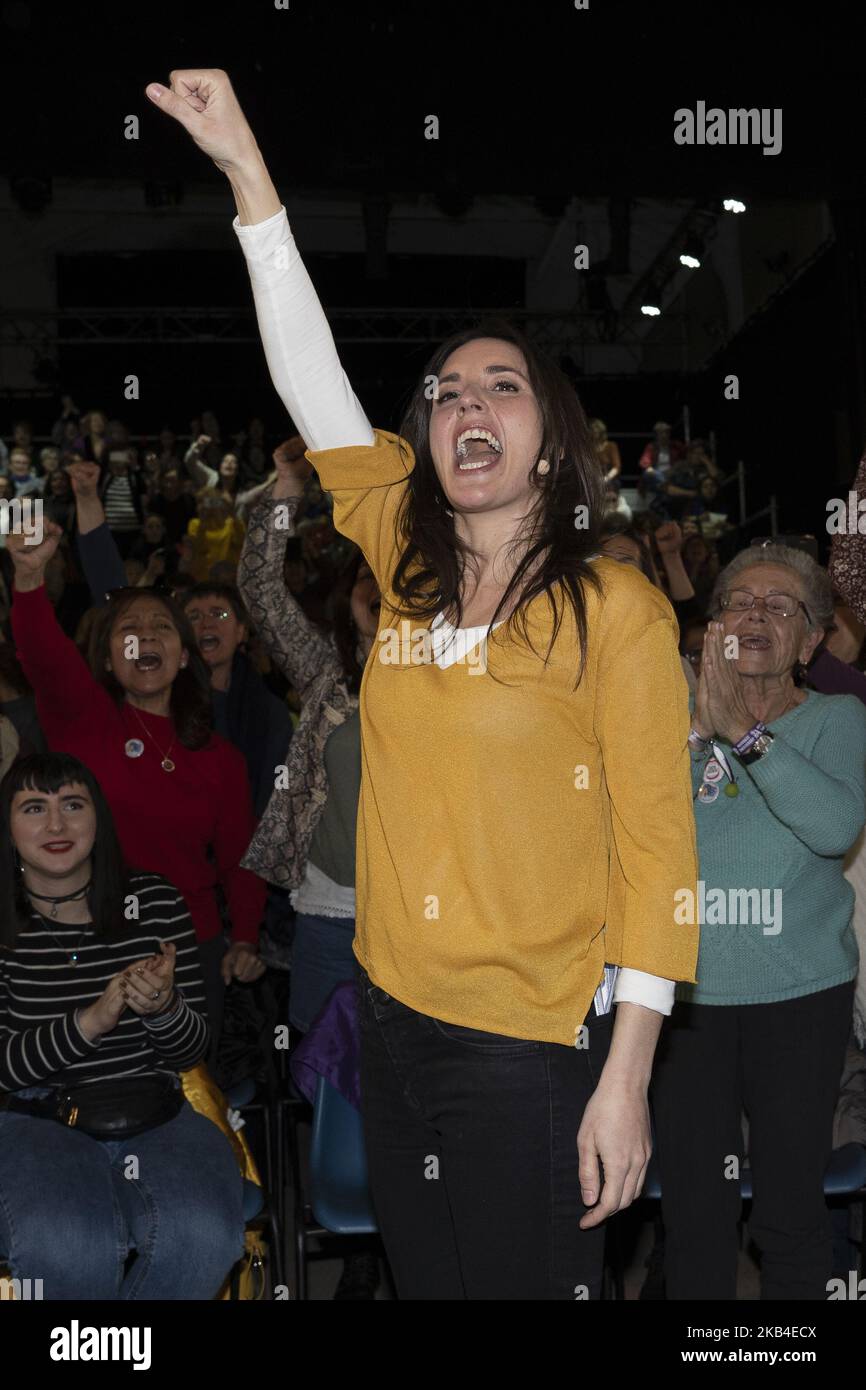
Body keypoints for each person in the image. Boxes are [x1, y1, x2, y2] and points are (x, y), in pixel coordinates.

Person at [149, 68, 699, 1300]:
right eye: (446, 390)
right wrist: (248, 176)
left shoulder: (613, 607)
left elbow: (660, 849)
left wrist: (627, 1075)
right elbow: (309, 377)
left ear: (547, 440)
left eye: (500, 385)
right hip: (387, 1022)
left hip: (535, 1050)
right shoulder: (402, 565)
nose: (464, 402)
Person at [651, 544, 866, 1299]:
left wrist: (745, 734)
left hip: (799, 1001)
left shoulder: (839, 720)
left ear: (810, 642)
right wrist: (697, 725)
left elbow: (835, 825)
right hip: (685, 1002)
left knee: (789, 1216)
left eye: (780, 606)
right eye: (739, 602)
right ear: (711, 631)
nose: (754, 615)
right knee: (696, 1218)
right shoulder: (661, 721)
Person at [6, 518, 266, 1063]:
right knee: (79, 1085)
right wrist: (29, 577)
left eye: (161, 628)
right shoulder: (86, 722)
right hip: (81, 940)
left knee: (186, 1091)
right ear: (106, 657)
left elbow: (240, 861)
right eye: (129, 629)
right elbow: (45, 657)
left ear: (184, 656)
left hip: (188, 950)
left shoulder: (221, 760)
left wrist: (243, 937)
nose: (145, 637)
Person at [0, 751, 244, 1300]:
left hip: (155, 1107)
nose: (57, 825)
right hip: (36, 1115)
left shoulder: (153, 900)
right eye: (35, 807)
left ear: (98, 819)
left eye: (73, 805)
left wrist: (163, 1008)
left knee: (204, 1237)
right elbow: (4, 1068)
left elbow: (190, 1051)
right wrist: (91, 1020)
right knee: (67, 1246)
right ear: (8, 827)